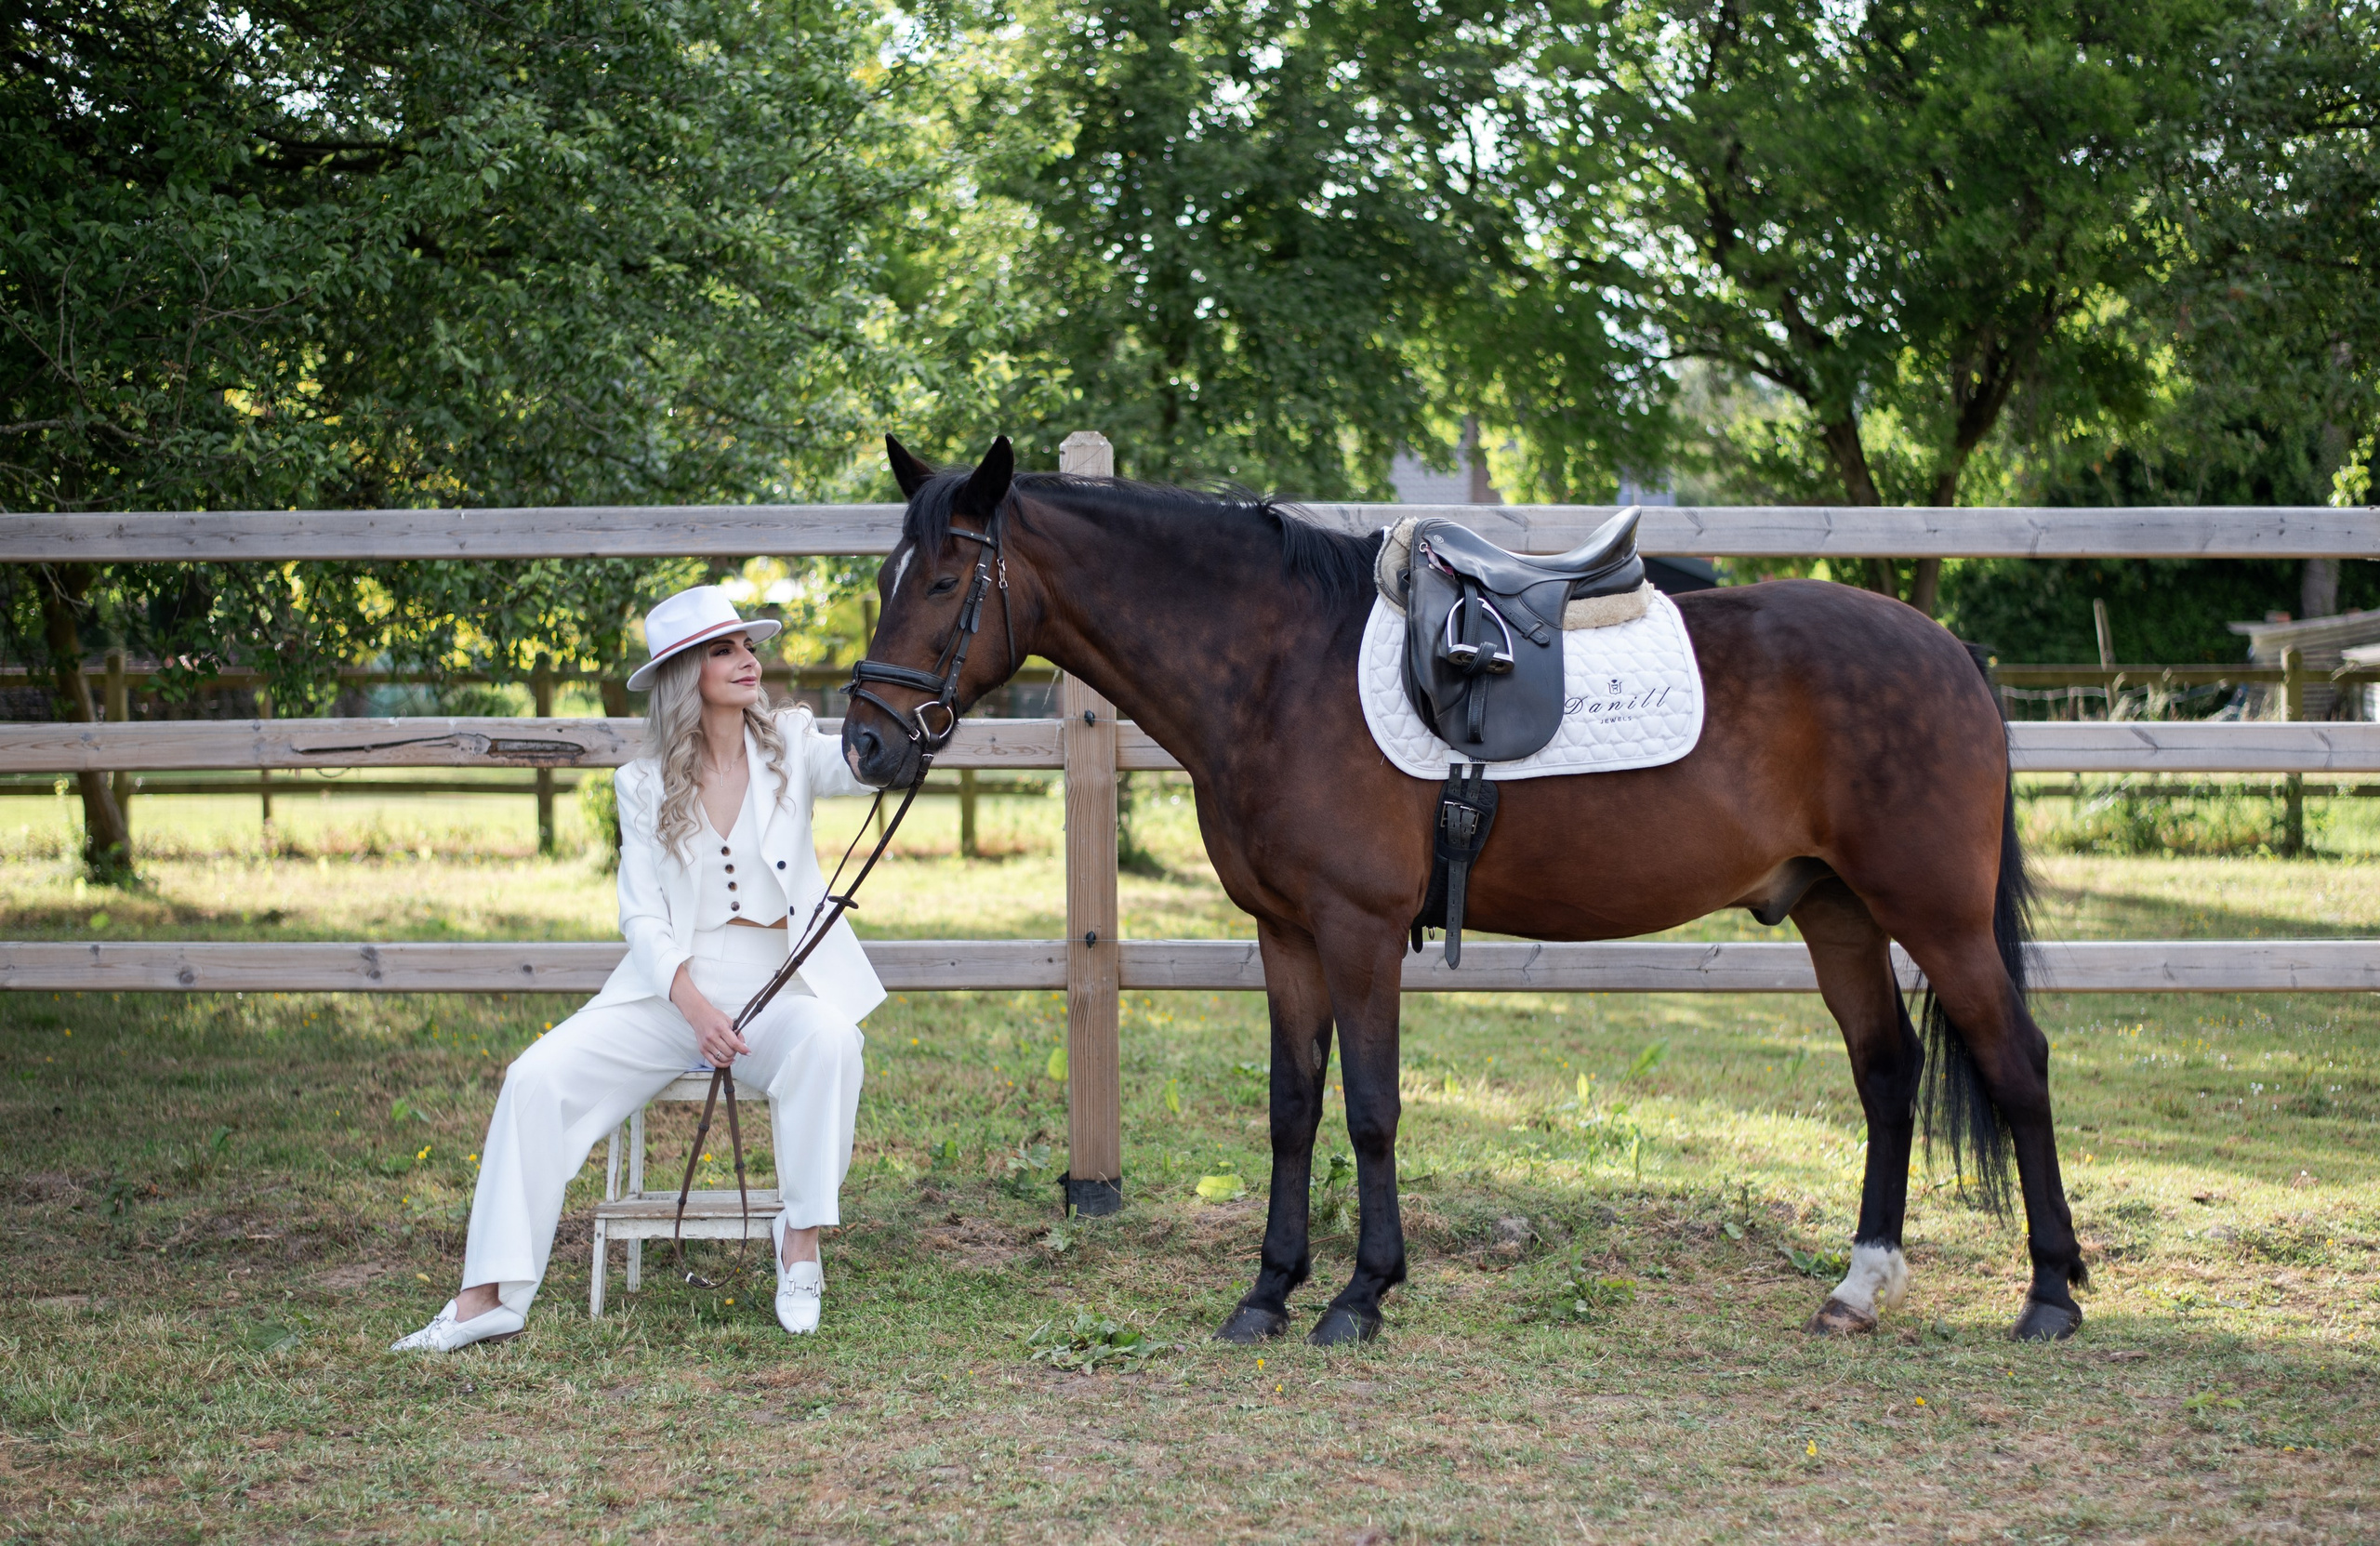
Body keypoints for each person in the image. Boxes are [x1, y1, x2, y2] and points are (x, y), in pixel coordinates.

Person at [393, 585, 882, 1351]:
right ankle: (485, 1297)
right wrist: (693, 1006)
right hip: (673, 990)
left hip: (779, 977)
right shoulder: (642, 781)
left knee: (832, 1041)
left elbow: (863, 767)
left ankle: (802, 1244)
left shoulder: (789, 738)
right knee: (536, 1077)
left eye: (748, 646)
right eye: (725, 650)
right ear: (687, 673)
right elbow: (643, 917)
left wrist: (922, 710)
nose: (749, 660)